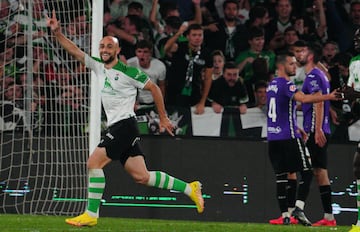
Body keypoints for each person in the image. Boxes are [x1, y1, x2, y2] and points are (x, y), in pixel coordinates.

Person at [45, 10, 204, 227]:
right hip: (121, 127)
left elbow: (155, 88)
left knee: (93, 163)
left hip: (125, 126)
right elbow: (74, 50)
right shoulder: (99, 67)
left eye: (109, 46)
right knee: (142, 176)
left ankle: (91, 215)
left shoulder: (129, 72)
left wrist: (164, 117)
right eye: (102, 46)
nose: (104, 49)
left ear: (118, 50)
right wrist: (58, 33)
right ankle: (190, 188)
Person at [266, 51, 341, 226]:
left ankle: (286, 215)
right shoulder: (287, 84)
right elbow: (306, 98)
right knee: (307, 171)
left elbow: (278, 112)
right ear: (281, 66)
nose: (294, 66)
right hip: (288, 138)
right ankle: (298, 209)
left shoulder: (271, 85)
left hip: (273, 138)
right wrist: (329, 96)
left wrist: (298, 126)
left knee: (283, 176)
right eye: (291, 63)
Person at [301, 42, 336, 226]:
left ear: (310, 56)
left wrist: (318, 129)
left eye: (302, 52)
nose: (298, 55)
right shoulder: (319, 75)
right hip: (319, 128)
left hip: (316, 130)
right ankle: (328, 217)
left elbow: (319, 102)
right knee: (319, 171)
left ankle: (295, 210)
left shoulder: (313, 76)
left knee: (306, 168)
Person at [164, 23, 213, 114]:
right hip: (175, 92)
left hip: (194, 93)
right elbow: (166, 48)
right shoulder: (180, 47)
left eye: (200, 35)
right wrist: (179, 33)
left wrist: (202, 101)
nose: (197, 38)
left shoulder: (206, 54)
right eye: (194, 35)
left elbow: (208, 78)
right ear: (188, 37)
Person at [127, 39, 166, 108]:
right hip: (135, 103)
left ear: (150, 53)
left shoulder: (160, 66)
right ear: (135, 52)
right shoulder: (130, 64)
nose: (142, 55)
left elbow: (161, 86)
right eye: (139, 52)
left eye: (145, 52)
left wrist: (160, 105)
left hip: (153, 102)